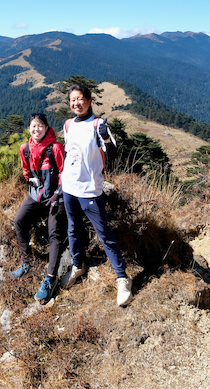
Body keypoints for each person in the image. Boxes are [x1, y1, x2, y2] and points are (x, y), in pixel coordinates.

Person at [60, 83, 133, 306]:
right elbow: (69, 154)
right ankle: (78, 265)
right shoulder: (68, 124)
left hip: (90, 189)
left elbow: (113, 155)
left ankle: (122, 277)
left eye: (80, 99)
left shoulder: (98, 124)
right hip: (69, 187)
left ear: (89, 101)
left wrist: (106, 138)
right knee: (73, 228)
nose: (76, 103)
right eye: (73, 100)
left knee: (103, 233)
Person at [10, 112, 67, 304]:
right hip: (35, 196)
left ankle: (50, 278)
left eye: (41, 125)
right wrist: (34, 186)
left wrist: (57, 194)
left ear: (47, 128)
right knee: (19, 220)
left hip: (55, 197)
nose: (37, 129)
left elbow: (64, 172)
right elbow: (26, 172)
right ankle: (27, 263)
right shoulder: (24, 148)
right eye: (34, 126)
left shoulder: (55, 148)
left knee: (54, 233)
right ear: (29, 129)